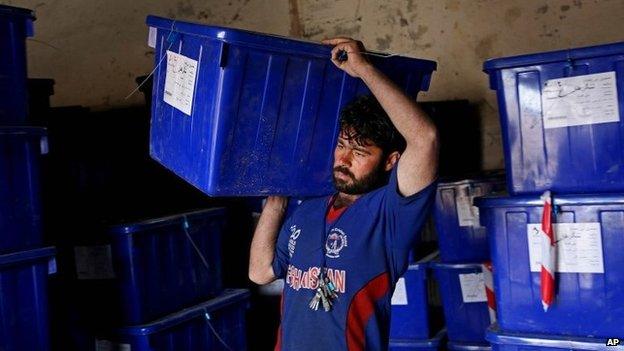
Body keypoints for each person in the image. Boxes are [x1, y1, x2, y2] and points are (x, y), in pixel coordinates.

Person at [249, 37, 439, 351]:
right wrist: (276, 199)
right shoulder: (307, 210)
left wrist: (363, 69)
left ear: (391, 160)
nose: (344, 159)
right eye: (341, 146)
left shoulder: (389, 214)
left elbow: (425, 138)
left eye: (360, 152)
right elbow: (260, 272)